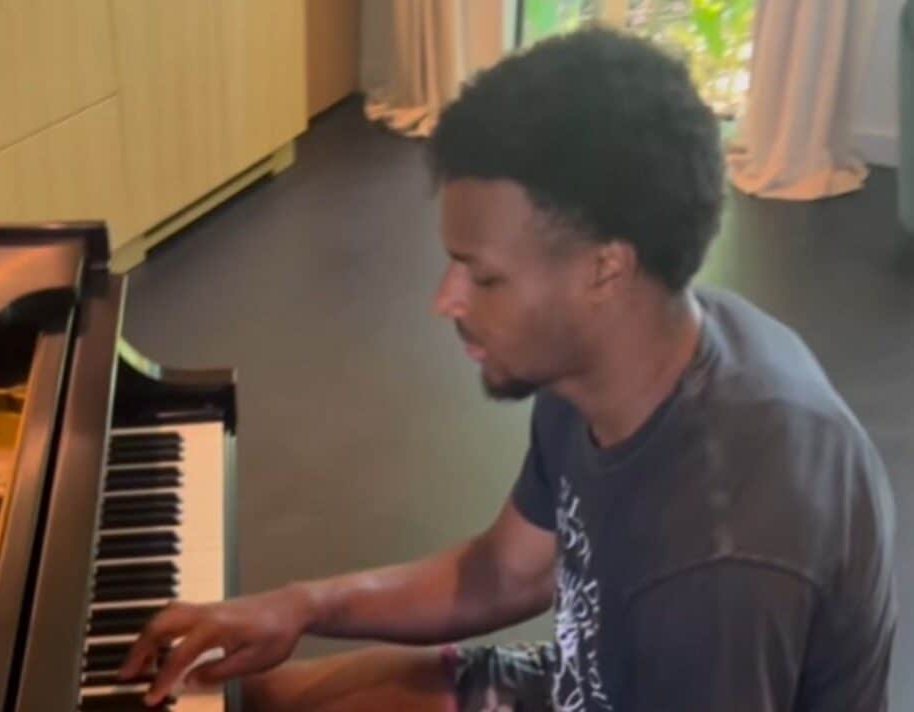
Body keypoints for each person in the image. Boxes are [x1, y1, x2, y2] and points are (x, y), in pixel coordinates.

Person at [118, 26, 898, 711]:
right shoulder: (609, 358)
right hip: (596, 684)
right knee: (247, 700)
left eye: (483, 277)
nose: (445, 299)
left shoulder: (723, 559)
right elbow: (504, 573)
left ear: (603, 269)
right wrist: (299, 605)